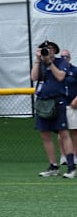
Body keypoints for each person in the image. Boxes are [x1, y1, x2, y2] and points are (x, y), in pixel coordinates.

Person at [30, 40, 75, 178]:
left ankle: (71, 167)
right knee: (45, 134)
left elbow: (61, 77)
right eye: (44, 48)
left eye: (50, 48)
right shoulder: (41, 63)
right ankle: (53, 166)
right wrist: (38, 61)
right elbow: (33, 77)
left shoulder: (61, 62)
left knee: (63, 133)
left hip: (57, 101)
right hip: (43, 101)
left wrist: (49, 62)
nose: (47, 51)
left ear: (55, 50)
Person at [62, 49, 77, 178]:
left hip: (72, 105)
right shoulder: (58, 70)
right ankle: (64, 156)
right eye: (61, 56)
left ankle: (75, 156)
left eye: (66, 56)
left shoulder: (75, 70)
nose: (64, 58)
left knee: (73, 131)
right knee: (61, 132)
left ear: (70, 58)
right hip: (61, 105)